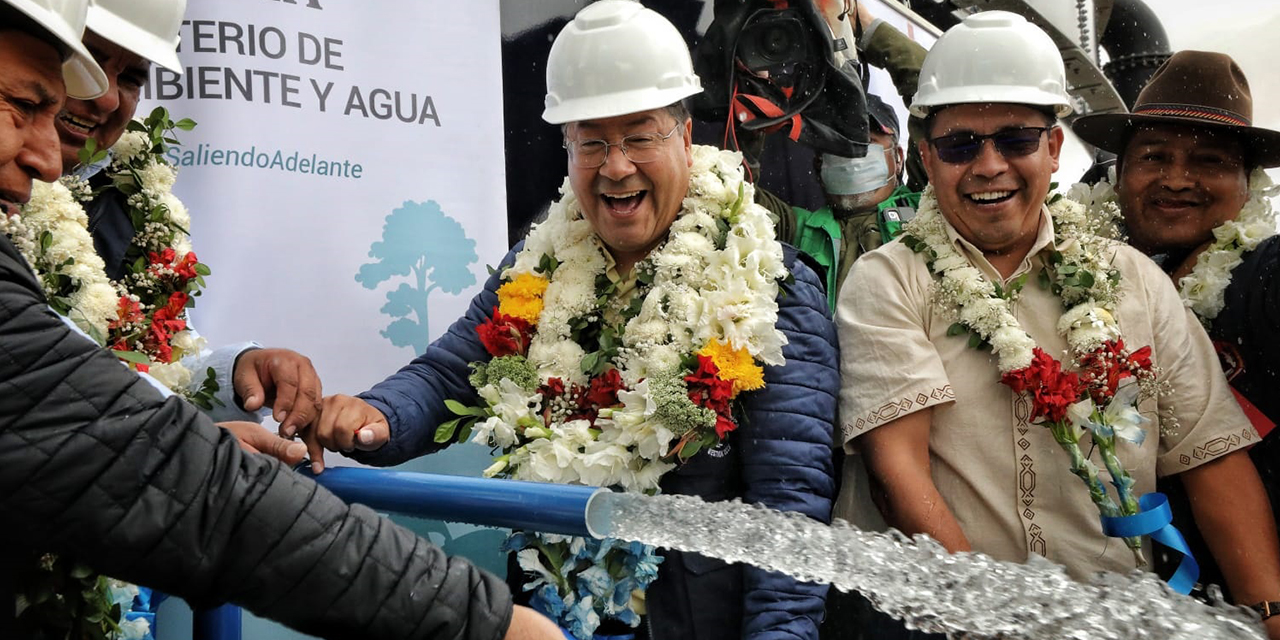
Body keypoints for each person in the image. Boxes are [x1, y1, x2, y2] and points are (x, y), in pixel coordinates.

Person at [0, 0, 562, 638]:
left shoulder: (110, 196)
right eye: (25, 101)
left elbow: (92, 390)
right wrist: (478, 624)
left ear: (684, 134)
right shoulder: (71, 196)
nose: (52, 147)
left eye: (129, 76)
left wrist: (228, 378)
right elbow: (102, 431)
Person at [306, 2, 840, 638]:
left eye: (640, 135)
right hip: (551, 614)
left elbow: (789, 508)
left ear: (685, 133)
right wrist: (377, 417)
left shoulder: (770, 287)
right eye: (592, 141)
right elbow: (451, 373)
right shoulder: (539, 264)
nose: (616, 167)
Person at [836, 11, 1280, 640]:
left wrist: (1270, 611)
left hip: (1113, 622)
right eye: (962, 144)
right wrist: (984, 621)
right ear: (926, 157)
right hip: (935, 621)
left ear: (1052, 148)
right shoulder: (889, 280)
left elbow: (1211, 458)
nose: (989, 165)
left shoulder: (1133, 281)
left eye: (1015, 139)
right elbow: (897, 473)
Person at [55, 0, 323, 436]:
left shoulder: (132, 198)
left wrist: (239, 371)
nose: (104, 96)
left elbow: (162, 371)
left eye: (130, 78)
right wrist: (183, 446)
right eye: (86, 62)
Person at [1070, 49, 1280, 599]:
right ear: (1118, 175)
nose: (1177, 180)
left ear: (1248, 183)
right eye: (1155, 157)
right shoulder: (1076, 278)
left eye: (1209, 161)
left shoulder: (1266, 278)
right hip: (1120, 602)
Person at [785, 92, 919, 312]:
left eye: (864, 143)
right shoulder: (795, 227)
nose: (851, 155)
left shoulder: (929, 208)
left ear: (898, 157)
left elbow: (940, 110)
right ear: (819, 164)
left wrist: (883, 54)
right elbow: (728, 193)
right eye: (838, 145)